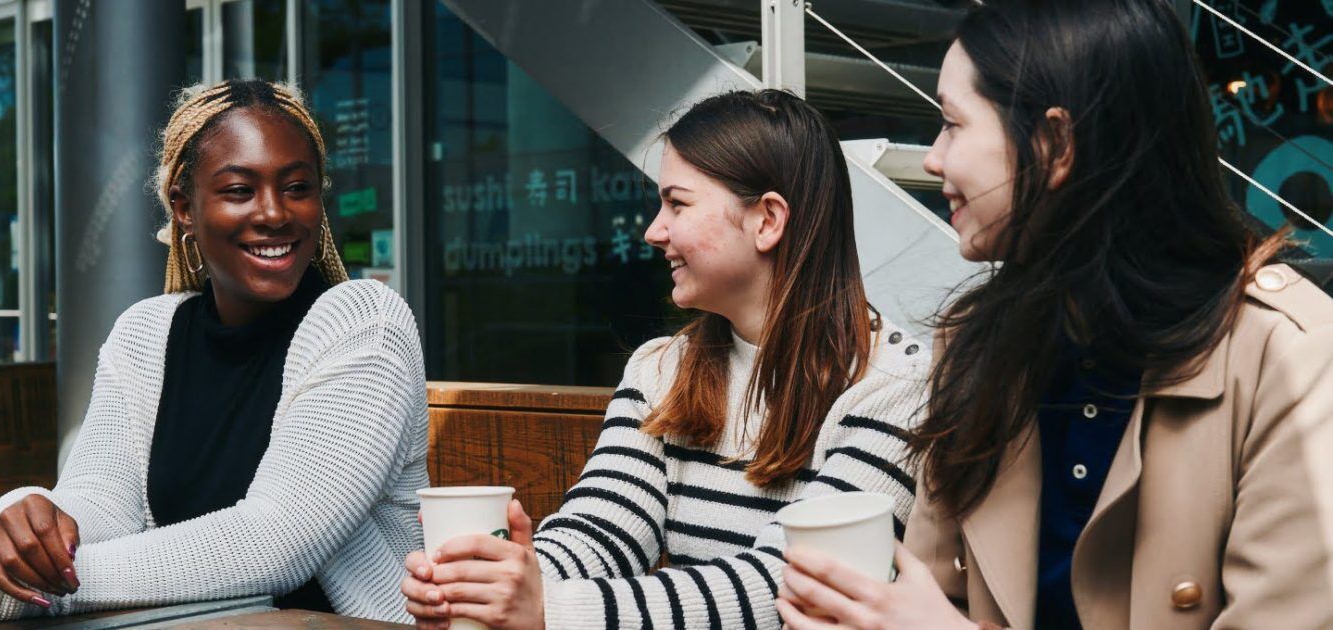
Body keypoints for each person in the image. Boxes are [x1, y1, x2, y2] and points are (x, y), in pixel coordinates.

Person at [776, 1, 1333, 629]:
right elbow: (935, 595)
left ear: (1056, 142)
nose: (932, 159)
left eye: (952, 124)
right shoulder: (973, 348)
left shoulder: (1293, 351)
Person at [0, 79, 429, 623]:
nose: (274, 213)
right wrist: (9, 528)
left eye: (297, 187)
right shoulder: (146, 334)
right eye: (240, 190)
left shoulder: (363, 325)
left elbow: (276, 542)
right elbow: (100, 499)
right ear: (184, 208)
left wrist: (24, 582)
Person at [401, 89, 930, 629]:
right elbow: (603, 529)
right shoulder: (662, 369)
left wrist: (549, 607)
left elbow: (792, 587)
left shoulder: (895, 384)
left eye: (677, 204)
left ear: (768, 220)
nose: (653, 231)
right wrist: (500, 577)